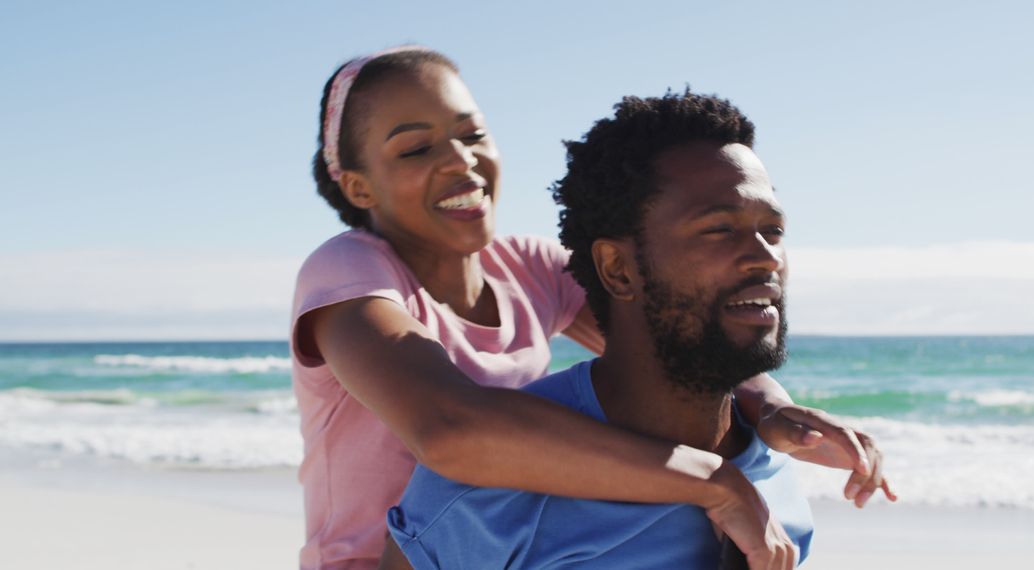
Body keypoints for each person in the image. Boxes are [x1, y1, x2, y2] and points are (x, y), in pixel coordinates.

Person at [293, 46, 892, 570]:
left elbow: (670, 319)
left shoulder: (524, 266)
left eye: (472, 134)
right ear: (359, 187)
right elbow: (450, 433)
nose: (459, 160)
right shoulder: (348, 271)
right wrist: (716, 483)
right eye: (417, 148)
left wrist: (771, 411)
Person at [385, 90, 828, 569]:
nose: (766, 256)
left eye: (774, 230)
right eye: (719, 229)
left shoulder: (772, 458)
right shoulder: (488, 488)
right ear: (618, 269)